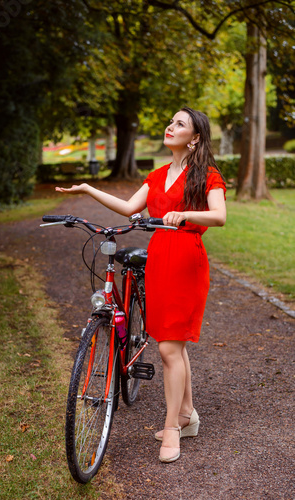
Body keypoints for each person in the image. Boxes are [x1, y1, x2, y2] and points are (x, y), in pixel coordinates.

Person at [55, 106, 226, 464]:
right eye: (171, 120)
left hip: (186, 262)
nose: (170, 125)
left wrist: (185, 214)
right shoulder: (158, 174)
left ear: (195, 138)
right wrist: (89, 189)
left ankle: (173, 428)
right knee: (171, 345)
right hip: (160, 259)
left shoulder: (206, 175)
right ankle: (186, 415)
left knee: (168, 349)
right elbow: (129, 206)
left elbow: (219, 215)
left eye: (180, 124)